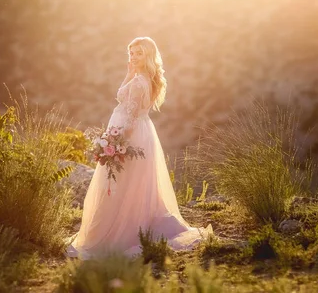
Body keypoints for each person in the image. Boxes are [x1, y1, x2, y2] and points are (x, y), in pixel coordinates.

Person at [66, 37, 213, 259]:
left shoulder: (139, 83)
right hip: (142, 135)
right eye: (131, 53)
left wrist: (114, 145)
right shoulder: (143, 79)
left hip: (130, 137)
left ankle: (123, 235)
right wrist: (129, 72)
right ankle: (137, 227)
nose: (133, 56)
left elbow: (130, 118)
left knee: (124, 186)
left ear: (148, 56)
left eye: (139, 53)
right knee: (135, 186)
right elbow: (123, 101)